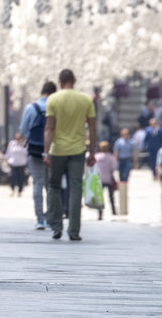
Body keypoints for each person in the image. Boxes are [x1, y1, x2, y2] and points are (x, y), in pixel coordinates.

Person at [43, 69, 97, 241]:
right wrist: (92, 152)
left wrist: (46, 152)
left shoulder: (53, 99)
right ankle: (74, 231)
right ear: (75, 80)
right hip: (77, 150)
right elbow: (93, 128)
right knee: (75, 189)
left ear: (60, 82)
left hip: (57, 150)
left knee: (54, 187)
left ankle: (56, 226)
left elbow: (50, 127)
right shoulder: (86, 99)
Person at [18, 80, 57, 230]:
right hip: (53, 151)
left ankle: (40, 219)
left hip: (34, 151)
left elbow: (24, 130)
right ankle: (50, 217)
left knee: (37, 184)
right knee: (52, 186)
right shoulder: (55, 107)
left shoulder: (31, 107)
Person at [94, 141, 117, 220]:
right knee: (111, 196)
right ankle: (114, 211)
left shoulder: (96, 156)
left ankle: (100, 213)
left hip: (99, 179)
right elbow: (113, 168)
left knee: (100, 197)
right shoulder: (111, 157)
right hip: (108, 178)